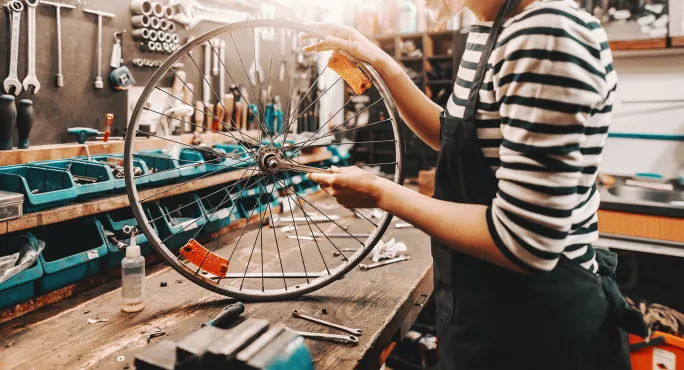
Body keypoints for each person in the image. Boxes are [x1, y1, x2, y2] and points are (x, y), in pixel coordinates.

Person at [305, 0, 648, 369]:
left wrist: (380, 193)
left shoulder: (545, 34)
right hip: (489, 320)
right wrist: (382, 63)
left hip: (540, 337)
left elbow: (525, 241)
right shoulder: (493, 28)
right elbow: (453, 137)